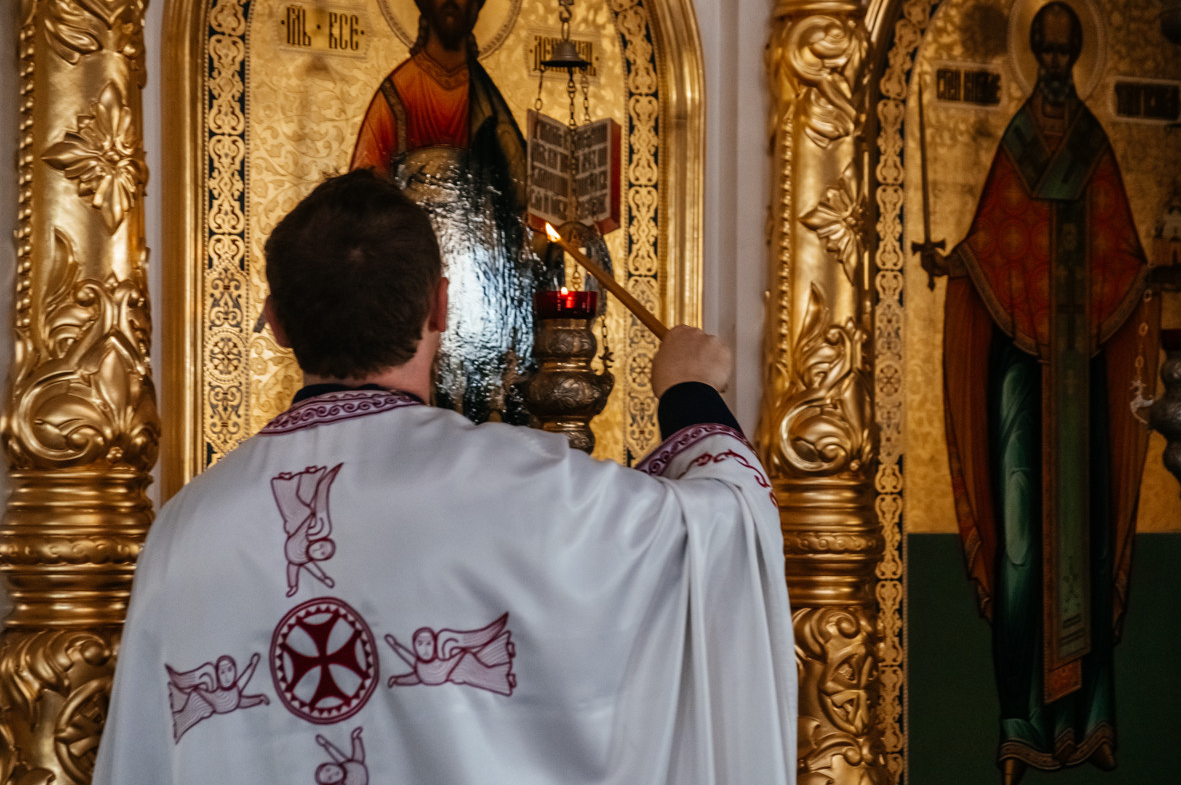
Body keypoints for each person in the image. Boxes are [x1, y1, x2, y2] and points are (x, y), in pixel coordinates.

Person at [93, 170, 797, 784]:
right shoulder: (532, 488)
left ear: (275, 321)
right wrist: (688, 390)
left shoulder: (186, 529)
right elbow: (727, 525)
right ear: (441, 305)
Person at [923, 1, 1158, 784]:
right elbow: (992, 243)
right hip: (1023, 376)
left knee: (1088, 546)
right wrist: (957, 265)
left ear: (1077, 55)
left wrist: (1148, 279)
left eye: (1064, 52)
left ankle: (1091, 722)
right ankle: (1019, 725)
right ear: (1034, 54)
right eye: (1045, 52)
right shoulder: (1017, 144)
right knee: (1022, 552)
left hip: (1082, 377)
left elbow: (1121, 251)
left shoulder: (1094, 148)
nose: (1055, 66)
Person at [351, 0, 532, 424]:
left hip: (486, 296)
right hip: (413, 290)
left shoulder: (489, 102)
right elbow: (359, 207)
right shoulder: (398, 95)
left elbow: (522, 206)